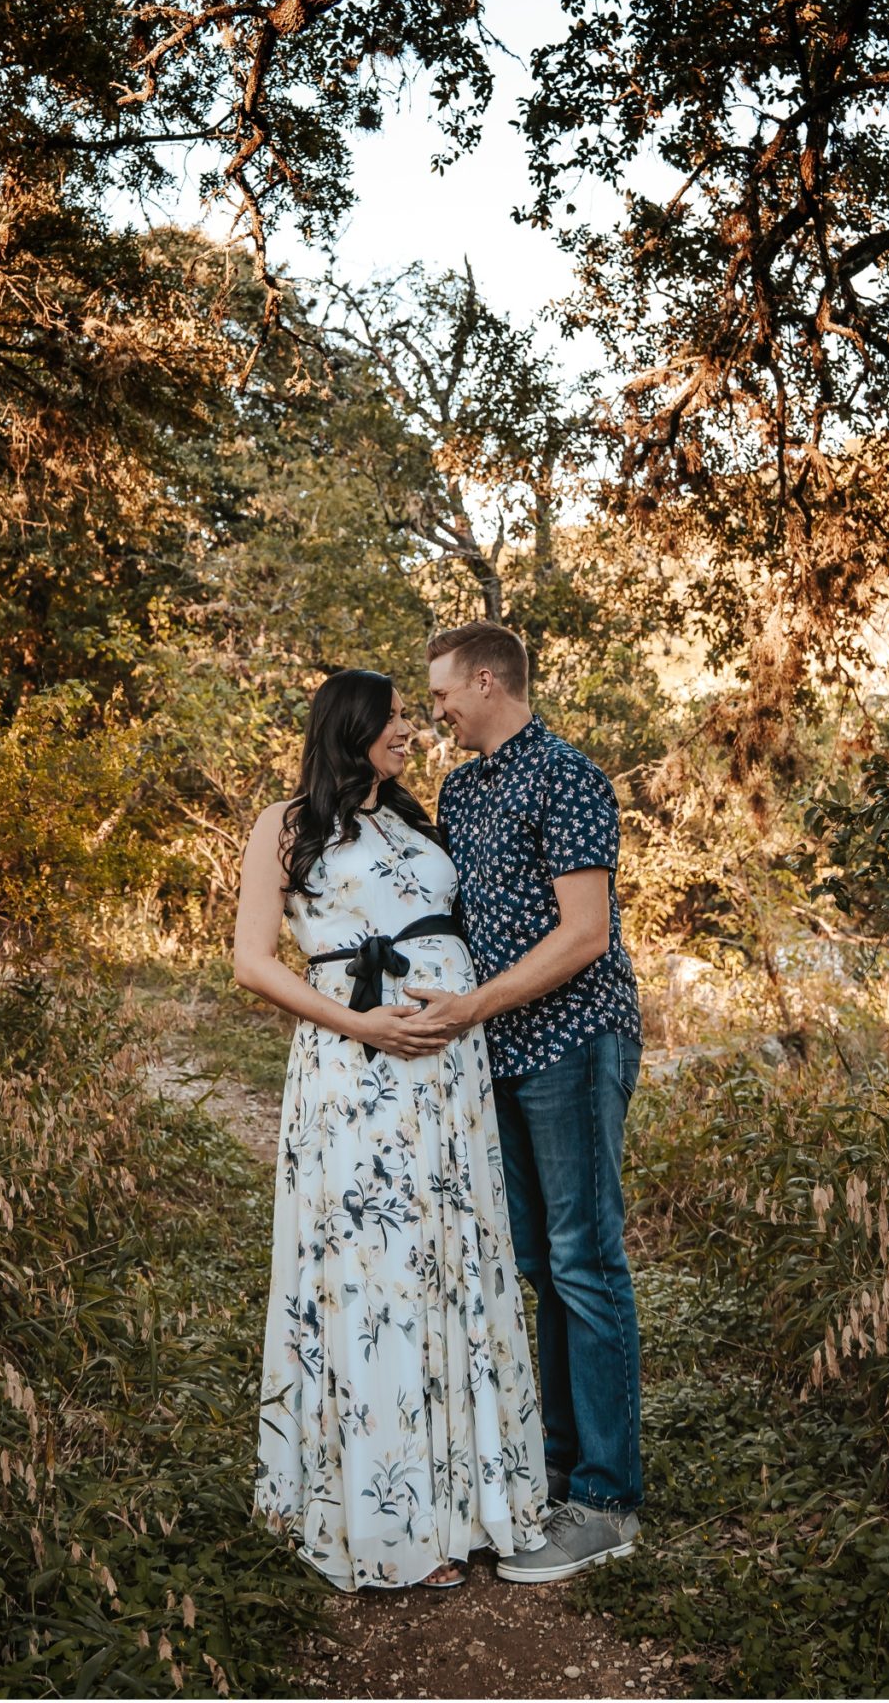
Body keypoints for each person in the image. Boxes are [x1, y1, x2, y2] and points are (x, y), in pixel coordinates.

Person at [234, 667, 547, 1592]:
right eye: (395, 718)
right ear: (352, 726)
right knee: (375, 1273)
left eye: (413, 715)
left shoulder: (418, 823)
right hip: (355, 1065)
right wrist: (360, 1024)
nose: (410, 730)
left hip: (450, 1074)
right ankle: (394, 1522)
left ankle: (473, 1502)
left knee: (452, 1261)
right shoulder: (285, 825)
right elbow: (253, 963)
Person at [414, 621, 645, 1582]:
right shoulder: (459, 789)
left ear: (485, 681)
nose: (435, 711)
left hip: (573, 1041)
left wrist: (472, 1005)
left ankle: (607, 1502)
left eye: (441, 694)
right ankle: (554, 1470)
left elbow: (584, 934)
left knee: (584, 1261)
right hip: (496, 1054)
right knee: (538, 1264)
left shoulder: (568, 776)